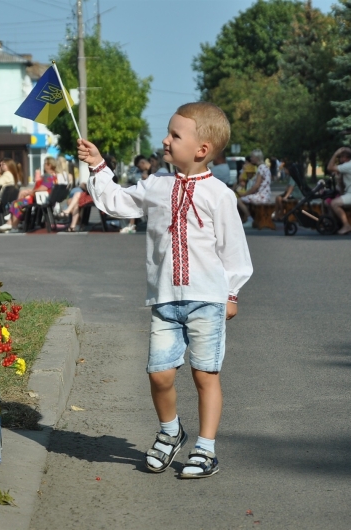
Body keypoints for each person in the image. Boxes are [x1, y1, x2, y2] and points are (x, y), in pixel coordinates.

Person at [78, 101, 253, 479]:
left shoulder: (219, 195)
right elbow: (115, 202)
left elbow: (234, 250)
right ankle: (170, 431)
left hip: (207, 300)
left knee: (205, 375)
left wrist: (232, 293)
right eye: (168, 132)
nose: (165, 140)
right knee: (159, 375)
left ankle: (205, 448)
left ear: (201, 149)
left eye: (175, 135)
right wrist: (97, 165)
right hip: (165, 300)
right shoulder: (156, 185)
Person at [1, 157, 56, 232]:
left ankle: (13, 225)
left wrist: (31, 192)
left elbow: (43, 188)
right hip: (42, 197)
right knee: (21, 197)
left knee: (17, 203)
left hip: (39, 198)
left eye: (45, 163)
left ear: (49, 165)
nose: (44, 165)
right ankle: (12, 219)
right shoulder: (53, 176)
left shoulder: (48, 176)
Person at [236, 149, 272, 228]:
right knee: (246, 199)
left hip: (262, 196)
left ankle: (249, 219)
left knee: (239, 200)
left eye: (252, 157)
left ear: (257, 158)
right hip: (266, 195)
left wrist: (245, 194)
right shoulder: (265, 167)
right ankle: (249, 218)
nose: (251, 158)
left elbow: (256, 186)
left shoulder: (260, 168)